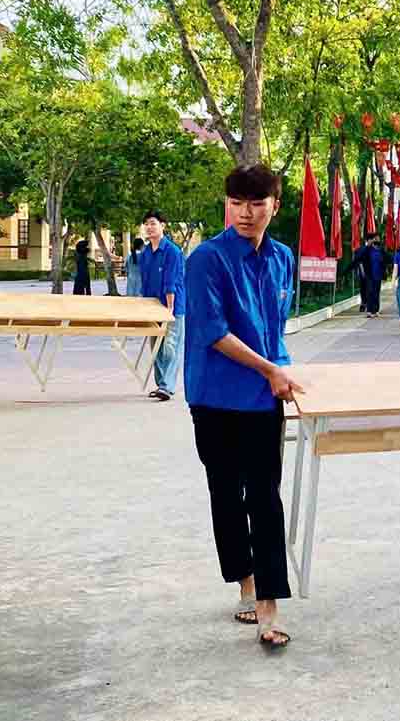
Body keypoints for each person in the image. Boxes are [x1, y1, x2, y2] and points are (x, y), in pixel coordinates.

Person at [184, 163, 302, 649]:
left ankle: (269, 606)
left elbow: (275, 328)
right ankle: (245, 584)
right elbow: (213, 333)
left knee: (265, 496)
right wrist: (271, 369)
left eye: (256, 204)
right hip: (214, 396)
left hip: (261, 398)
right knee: (226, 494)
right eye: (236, 203)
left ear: (275, 205)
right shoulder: (205, 259)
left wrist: (285, 372)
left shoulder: (282, 258)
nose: (245, 214)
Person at [139, 210, 186, 401]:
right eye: (147, 224)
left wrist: (170, 308)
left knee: (171, 346)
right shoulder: (145, 253)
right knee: (156, 346)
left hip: (172, 306)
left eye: (153, 223)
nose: (149, 228)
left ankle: (167, 386)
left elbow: (171, 281)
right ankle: (161, 384)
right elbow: (145, 282)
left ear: (162, 226)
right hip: (152, 307)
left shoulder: (172, 251)